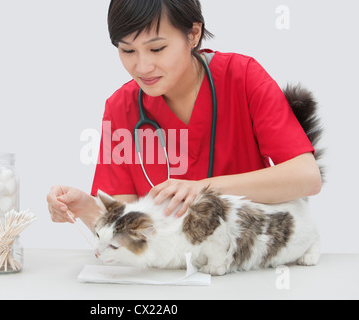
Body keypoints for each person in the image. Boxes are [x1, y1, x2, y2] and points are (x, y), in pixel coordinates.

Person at [47, 0, 322, 231]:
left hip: (243, 261)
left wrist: (203, 188)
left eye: (157, 49)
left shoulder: (243, 77)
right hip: (168, 273)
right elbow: (126, 226)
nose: (142, 66)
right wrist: (85, 208)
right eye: (127, 50)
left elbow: (306, 177)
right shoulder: (122, 108)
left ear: (192, 34)